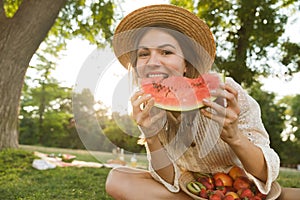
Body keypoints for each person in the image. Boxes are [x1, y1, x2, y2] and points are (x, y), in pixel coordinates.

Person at [105, 4, 297, 200]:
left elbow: (265, 174)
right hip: (192, 189)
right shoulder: (148, 106)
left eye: (166, 52)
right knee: (116, 178)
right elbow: (170, 179)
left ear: (186, 64)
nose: (153, 62)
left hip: (240, 187)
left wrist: (234, 136)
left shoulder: (226, 91)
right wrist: (151, 137)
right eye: (143, 54)